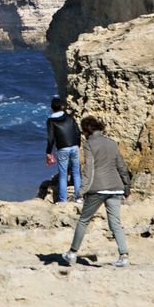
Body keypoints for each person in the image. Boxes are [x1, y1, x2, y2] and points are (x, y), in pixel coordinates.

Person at [61, 117, 131, 267]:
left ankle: (72, 253)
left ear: (87, 130)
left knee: (83, 221)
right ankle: (124, 256)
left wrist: (81, 190)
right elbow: (121, 166)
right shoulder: (112, 143)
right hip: (116, 187)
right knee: (115, 223)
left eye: (83, 131)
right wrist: (126, 186)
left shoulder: (88, 144)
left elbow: (88, 169)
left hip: (97, 188)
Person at [45, 97, 82, 203]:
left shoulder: (51, 121)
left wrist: (48, 152)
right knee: (76, 172)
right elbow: (77, 132)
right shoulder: (70, 117)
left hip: (62, 149)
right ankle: (79, 198)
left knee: (63, 175)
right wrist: (77, 145)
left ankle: (63, 200)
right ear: (61, 107)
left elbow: (51, 138)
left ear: (52, 108)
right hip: (74, 147)